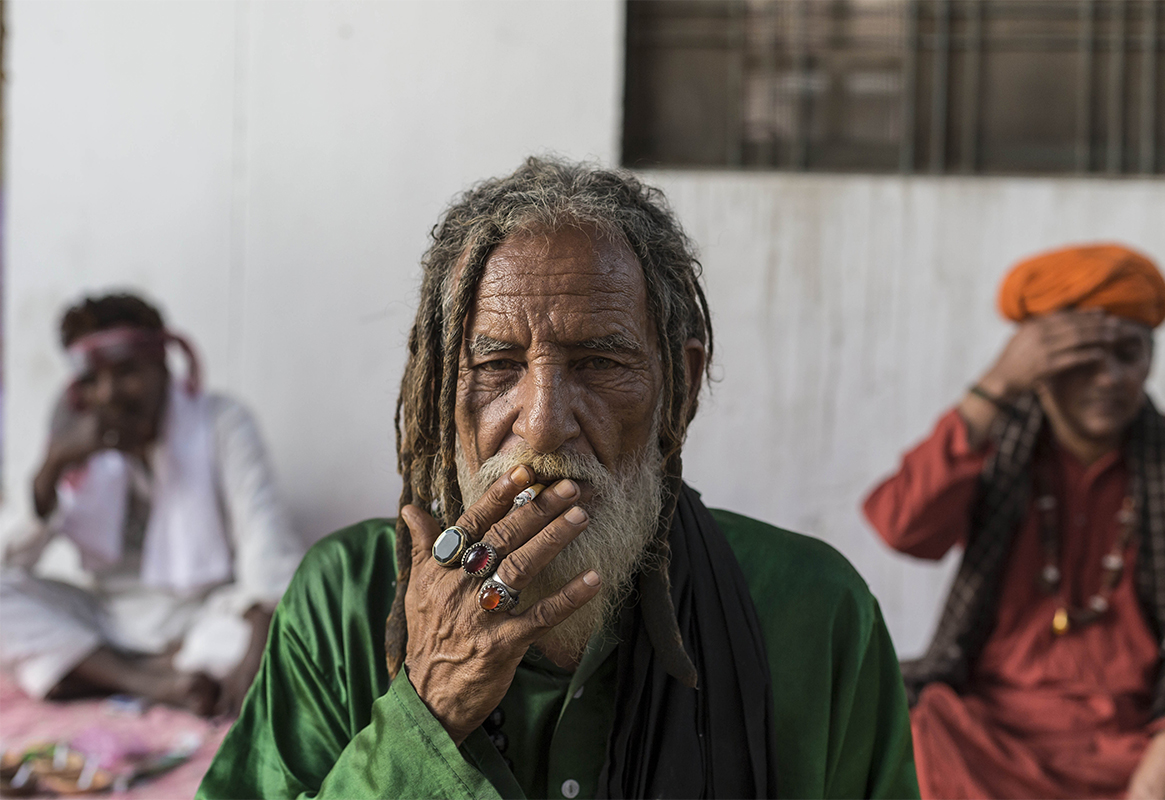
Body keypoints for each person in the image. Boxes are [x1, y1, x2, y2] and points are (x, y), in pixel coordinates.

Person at [199, 158, 918, 798]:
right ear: (437, 388)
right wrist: (429, 711)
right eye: (497, 366)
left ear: (683, 386)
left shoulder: (816, 613)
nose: (543, 424)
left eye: (600, 363)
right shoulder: (345, 600)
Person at [864, 244, 1165, 799]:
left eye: (1128, 353)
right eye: (1083, 357)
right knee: (911, 724)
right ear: (1038, 365)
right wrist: (994, 388)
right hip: (990, 742)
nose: (1110, 377)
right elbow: (902, 527)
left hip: (1142, 740)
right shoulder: (996, 447)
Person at [0, 293, 306, 717]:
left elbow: (266, 549)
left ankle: (96, 671)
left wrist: (259, 649)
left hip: (203, 621)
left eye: (126, 372)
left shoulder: (222, 422)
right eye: (93, 380)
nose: (109, 395)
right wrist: (54, 465)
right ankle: (149, 681)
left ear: (162, 366)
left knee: (275, 640)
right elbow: (12, 560)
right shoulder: (77, 441)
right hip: (110, 620)